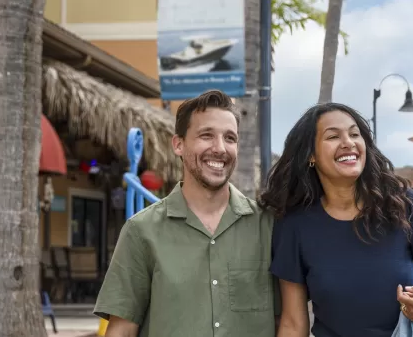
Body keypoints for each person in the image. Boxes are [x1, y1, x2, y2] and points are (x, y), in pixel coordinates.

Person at [93, 90, 279, 337]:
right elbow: (122, 329)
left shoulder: (269, 227)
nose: (220, 148)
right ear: (178, 144)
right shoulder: (141, 231)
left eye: (230, 138)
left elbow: (287, 321)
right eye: (206, 135)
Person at [259, 102, 413, 337]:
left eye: (354, 134)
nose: (348, 142)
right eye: (333, 136)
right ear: (311, 156)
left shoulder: (407, 207)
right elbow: (293, 324)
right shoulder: (295, 226)